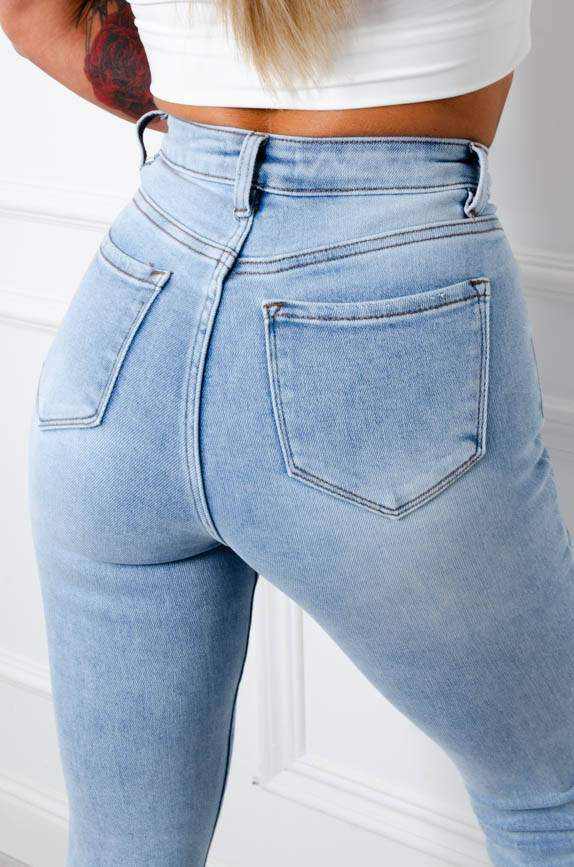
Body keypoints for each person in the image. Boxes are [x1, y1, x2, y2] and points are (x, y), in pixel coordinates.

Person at [4, 0, 573, 864]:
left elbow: (31, 14)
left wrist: (212, 113)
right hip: (388, 297)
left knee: (123, 847)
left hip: (135, 305)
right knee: (553, 801)